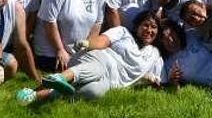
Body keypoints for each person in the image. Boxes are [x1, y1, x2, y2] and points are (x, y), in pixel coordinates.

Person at [17, 11, 163, 104]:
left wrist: (151, 79)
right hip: (98, 59)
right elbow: (103, 40)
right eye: (146, 25)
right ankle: (61, 78)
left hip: (112, 81)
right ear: (137, 25)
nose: (149, 30)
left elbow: (157, 79)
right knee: (96, 69)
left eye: (153, 27)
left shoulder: (154, 54)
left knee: (93, 92)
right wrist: (87, 43)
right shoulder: (123, 32)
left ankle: (33, 96)